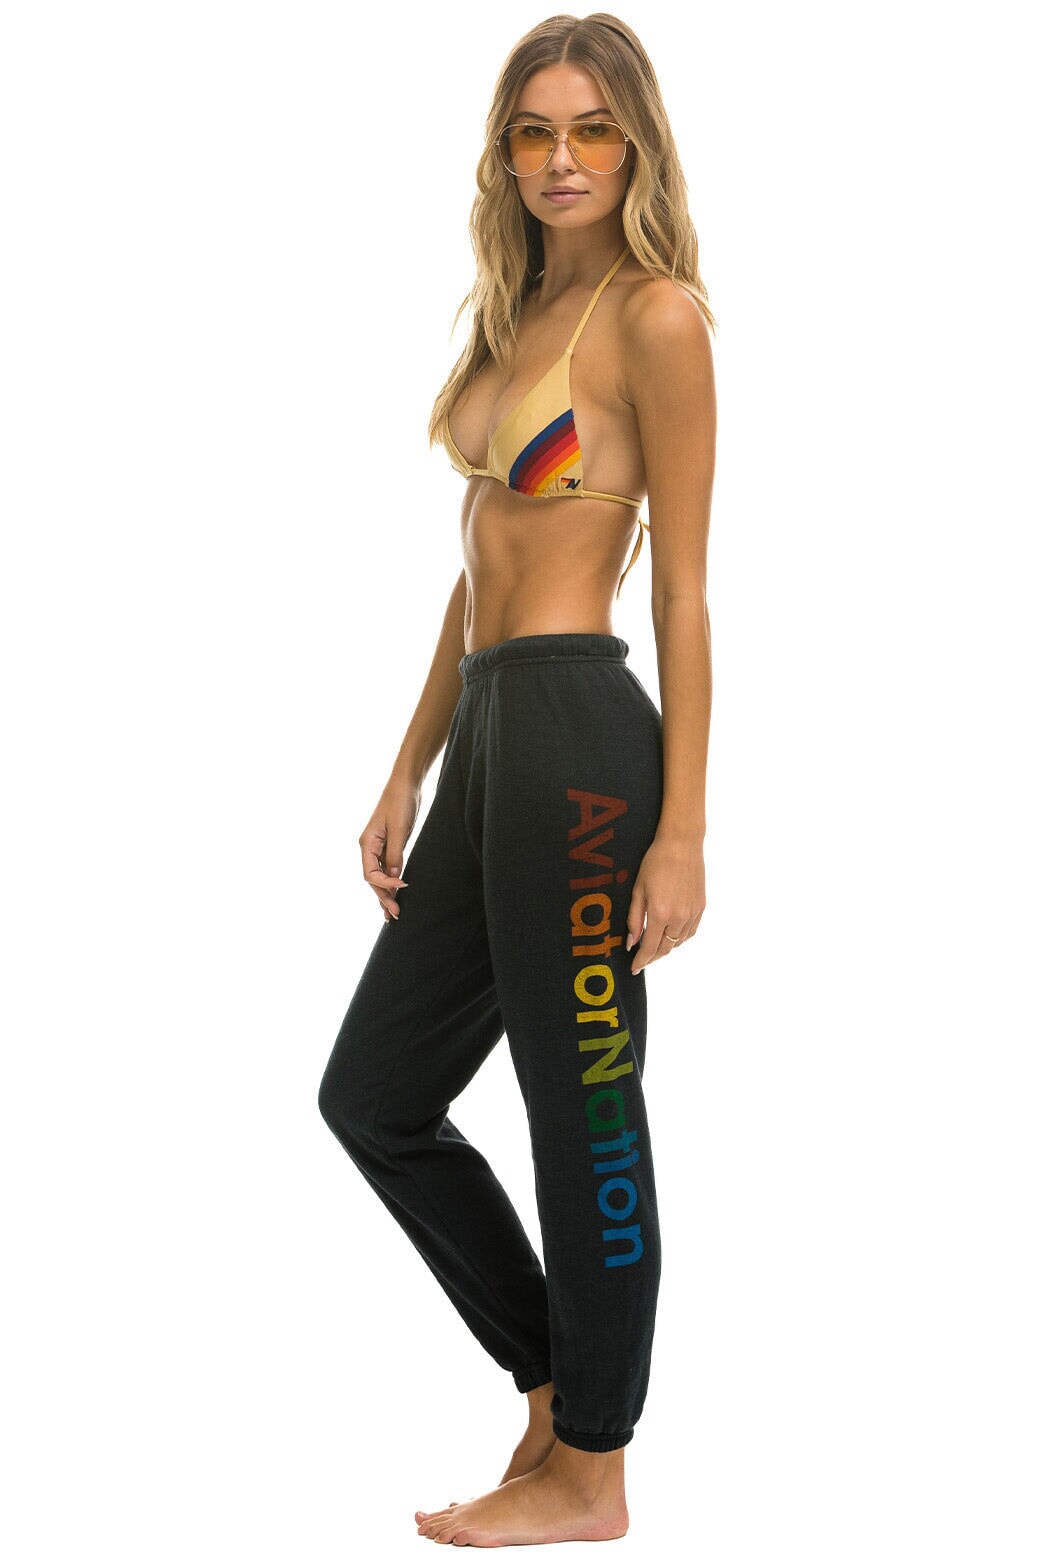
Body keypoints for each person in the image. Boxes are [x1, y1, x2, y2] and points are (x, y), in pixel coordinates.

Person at [318, 11, 716, 1546]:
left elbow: (682, 588)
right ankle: (558, 1385)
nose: (563, 158)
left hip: (580, 744)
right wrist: (407, 764)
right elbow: (477, 567)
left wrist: (682, 830)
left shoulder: (653, 318)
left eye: (592, 129)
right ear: (506, 153)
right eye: (535, 131)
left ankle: (593, 1471)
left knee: (584, 1106)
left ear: (636, 144)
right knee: (375, 1096)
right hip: (492, 731)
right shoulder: (517, 312)